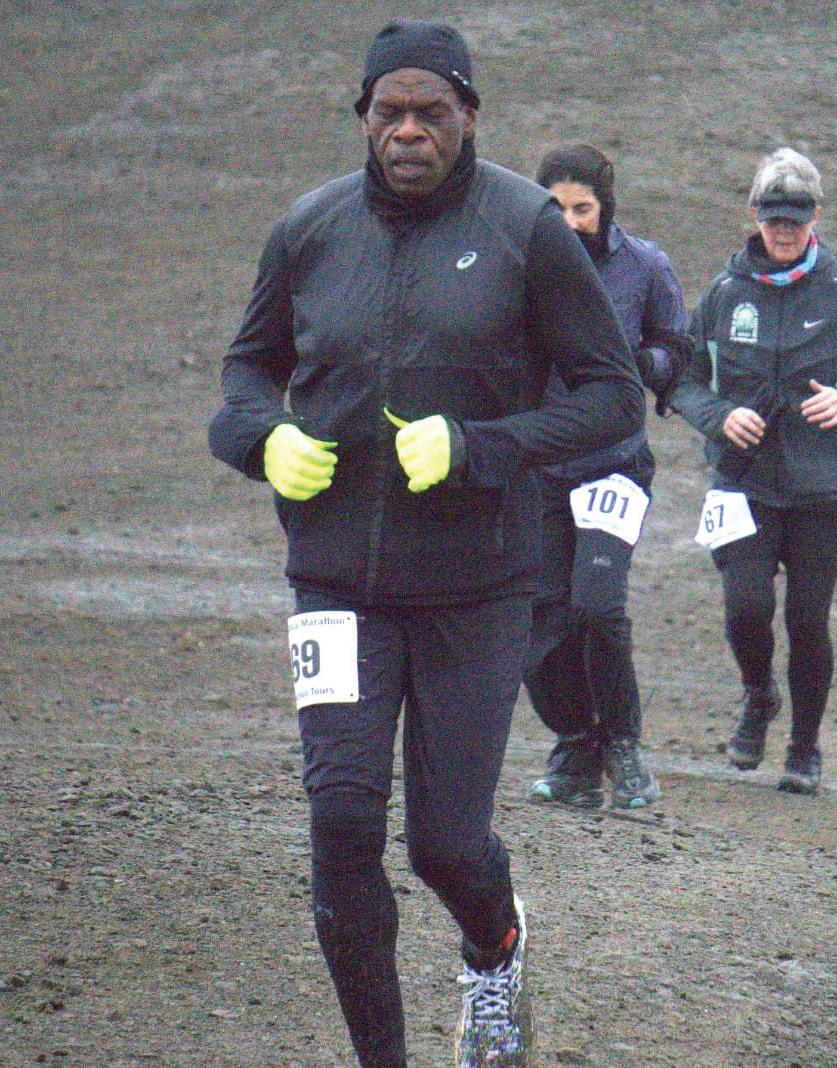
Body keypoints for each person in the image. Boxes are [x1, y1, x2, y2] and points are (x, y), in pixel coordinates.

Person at [207, 20, 643, 1068]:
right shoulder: (308, 229)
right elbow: (244, 376)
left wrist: (481, 447)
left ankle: (495, 951)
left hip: (477, 589)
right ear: (363, 117)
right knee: (342, 824)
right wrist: (264, 441)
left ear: (470, 117)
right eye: (389, 112)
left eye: (430, 112)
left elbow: (613, 398)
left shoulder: (526, 228)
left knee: (445, 847)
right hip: (336, 584)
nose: (408, 131)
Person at [672, 147, 837, 796]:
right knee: (745, 607)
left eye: (796, 220)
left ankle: (804, 748)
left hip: (825, 488)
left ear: (815, 217)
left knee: (806, 620)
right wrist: (718, 417)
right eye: (774, 219)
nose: (784, 231)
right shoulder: (723, 294)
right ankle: (757, 694)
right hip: (741, 483)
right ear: (754, 215)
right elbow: (681, 380)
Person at [523, 144, 690, 810]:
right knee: (540, 624)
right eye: (556, 208)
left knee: (596, 603)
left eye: (582, 208)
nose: (569, 221)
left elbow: (676, 349)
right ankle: (576, 748)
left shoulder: (645, 266)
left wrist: (636, 364)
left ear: (605, 208)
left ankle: (623, 746)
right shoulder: (516, 263)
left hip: (613, 463)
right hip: (536, 467)